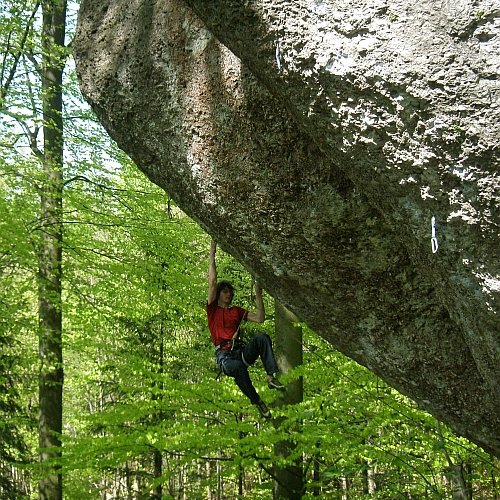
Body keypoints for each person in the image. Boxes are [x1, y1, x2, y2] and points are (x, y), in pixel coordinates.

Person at [207, 239, 285, 419]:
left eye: (230, 292)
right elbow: (212, 282)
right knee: (237, 369)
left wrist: (258, 294)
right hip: (225, 356)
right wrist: (212, 252)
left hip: (241, 352)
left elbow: (260, 318)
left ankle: (271, 377)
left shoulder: (237, 311)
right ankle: (257, 401)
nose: (229, 294)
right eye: (225, 291)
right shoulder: (212, 310)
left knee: (262, 337)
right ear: (218, 294)